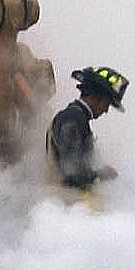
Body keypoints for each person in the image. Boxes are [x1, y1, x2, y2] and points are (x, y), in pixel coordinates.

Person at [47, 66, 126, 199]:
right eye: (108, 103)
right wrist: (102, 174)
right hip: (67, 204)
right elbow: (71, 172)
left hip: (71, 205)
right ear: (97, 96)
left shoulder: (75, 118)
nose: (106, 110)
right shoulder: (72, 119)